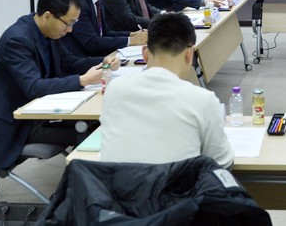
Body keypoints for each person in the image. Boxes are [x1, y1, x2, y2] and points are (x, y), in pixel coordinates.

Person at [0, 0, 117, 169]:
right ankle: (79, 182)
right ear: (47, 16)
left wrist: (103, 61)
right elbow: (34, 87)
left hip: (42, 111)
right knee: (95, 134)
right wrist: (83, 80)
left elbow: (69, 62)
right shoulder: (17, 40)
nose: (70, 30)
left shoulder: (47, 30)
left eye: (74, 23)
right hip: (19, 124)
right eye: (68, 23)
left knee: (100, 124)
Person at [99, 13, 234, 167]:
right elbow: (222, 161)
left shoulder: (114, 89)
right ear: (189, 54)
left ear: (145, 54)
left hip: (121, 181)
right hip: (177, 182)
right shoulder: (203, 100)